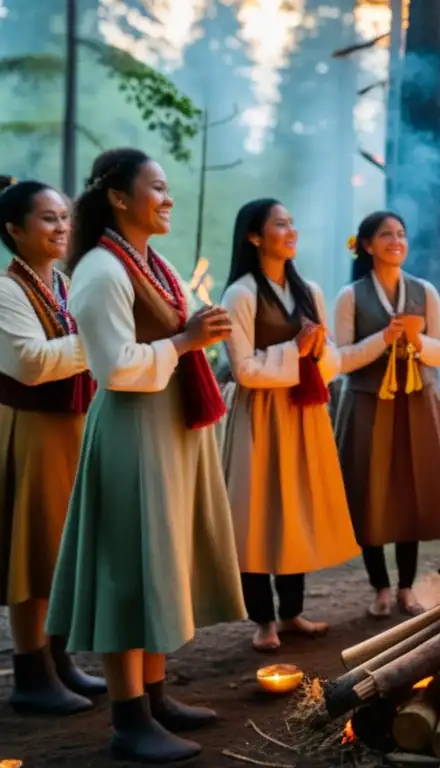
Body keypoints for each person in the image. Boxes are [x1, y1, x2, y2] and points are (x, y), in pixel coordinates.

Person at [44, 148, 246, 763]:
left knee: (163, 564)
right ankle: (129, 719)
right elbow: (115, 367)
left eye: (167, 188)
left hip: (169, 428)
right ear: (119, 198)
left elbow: (171, 337)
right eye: (156, 188)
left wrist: (196, 332)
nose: (168, 198)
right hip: (134, 429)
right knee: (130, 568)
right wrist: (187, 341)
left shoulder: (152, 263)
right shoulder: (101, 272)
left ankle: (155, 696)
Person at [220, 199, 359, 651]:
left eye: (292, 223)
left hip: (303, 411)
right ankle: (263, 620)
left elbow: (332, 357)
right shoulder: (240, 294)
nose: (291, 231)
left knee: (295, 507)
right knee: (259, 511)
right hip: (261, 414)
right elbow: (242, 368)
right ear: (255, 237)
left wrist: (317, 352)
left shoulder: (310, 291)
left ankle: (293, 611)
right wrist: (296, 351)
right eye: (281, 224)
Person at [0, 176, 104, 715]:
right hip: (33, 431)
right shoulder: (5, 290)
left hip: (71, 428)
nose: (61, 226)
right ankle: (31, 672)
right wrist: (98, 342)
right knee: (31, 552)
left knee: (62, 550)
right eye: (47, 218)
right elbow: (31, 362)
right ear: (13, 230)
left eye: (64, 216)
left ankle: (60, 662)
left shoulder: (61, 284)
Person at [333, 211, 440, 618]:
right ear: (366, 244)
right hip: (368, 402)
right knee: (368, 493)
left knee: (410, 494)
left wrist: (414, 338)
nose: (396, 241)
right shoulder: (351, 296)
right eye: (385, 234)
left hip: (416, 401)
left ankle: (406, 587)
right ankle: (380, 589)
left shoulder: (424, 292)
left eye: (401, 234)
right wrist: (384, 338)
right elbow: (340, 359)